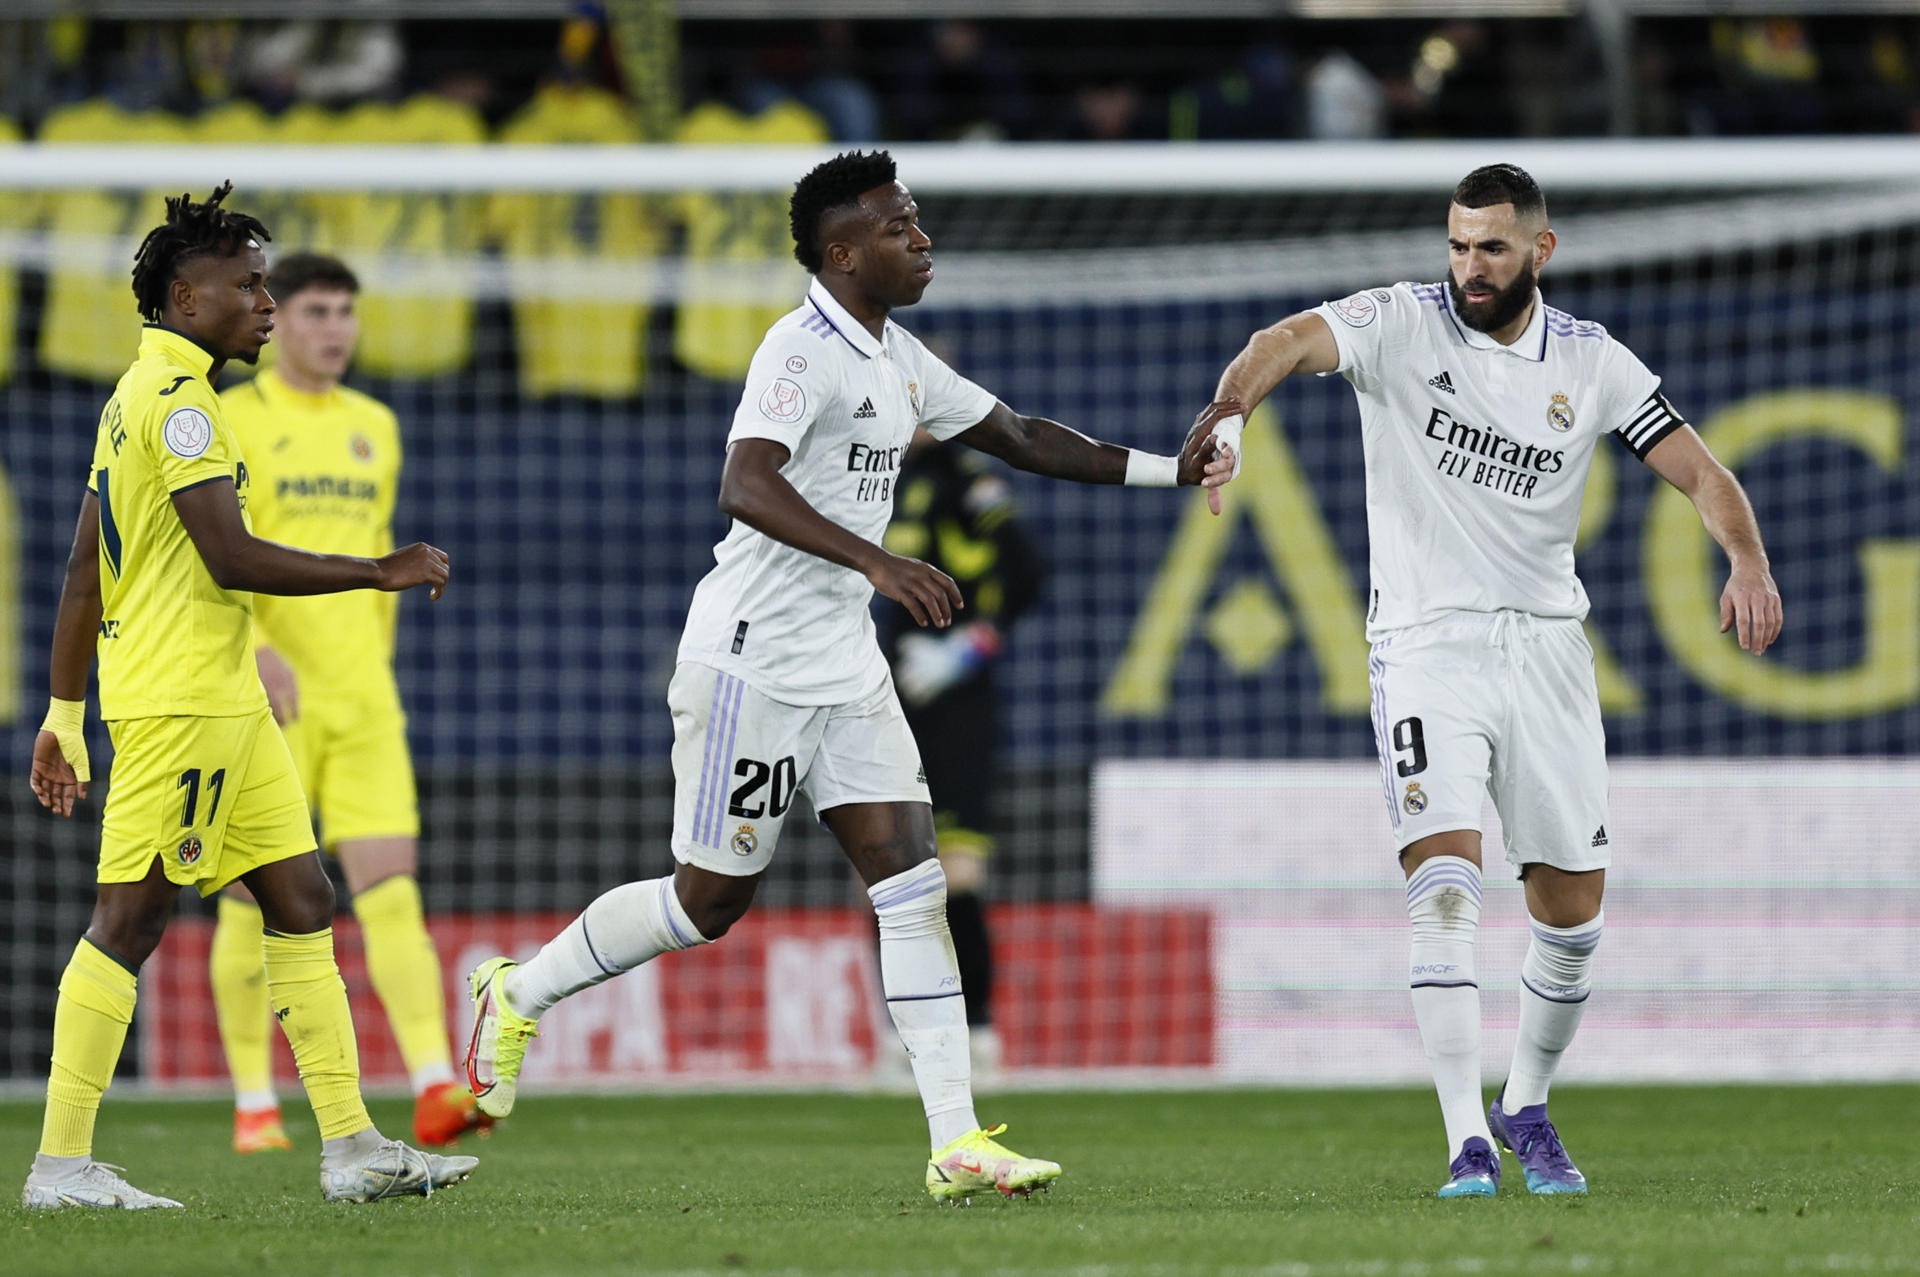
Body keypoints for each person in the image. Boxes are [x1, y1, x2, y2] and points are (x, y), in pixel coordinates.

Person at [464, 149, 1235, 1203]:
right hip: (753, 662)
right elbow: (744, 480)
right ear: (842, 251)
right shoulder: (799, 349)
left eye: (917, 221)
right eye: (899, 225)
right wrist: (876, 560)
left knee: (912, 885)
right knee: (706, 902)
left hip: (844, 667)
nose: (922, 239)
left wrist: (1167, 467)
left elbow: (1017, 434)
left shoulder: (899, 357)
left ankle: (957, 1138)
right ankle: (516, 992)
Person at [1197, 163, 1782, 1198]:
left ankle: (1526, 1099)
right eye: (1459, 245)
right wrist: (1232, 409)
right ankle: (1465, 1135)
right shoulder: (1400, 324)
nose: (1470, 267)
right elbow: (1283, 341)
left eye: (1493, 248)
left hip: (1548, 650)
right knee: (1445, 883)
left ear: (1540, 251)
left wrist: (1747, 558)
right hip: (1426, 643)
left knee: (1572, 914)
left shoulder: (1592, 361)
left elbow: (1700, 468)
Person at [23, 184, 474, 1210]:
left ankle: (353, 1144)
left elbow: (86, 563)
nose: (267, 305)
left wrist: (59, 712)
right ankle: (59, 1163)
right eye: (250, 287)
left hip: (218, 697)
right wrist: (376, 568)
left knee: (302, 896)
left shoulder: (135, 393)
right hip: (186, 704)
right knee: (130, 918)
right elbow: (226, 554)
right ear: (188, 299)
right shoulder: (185, 407)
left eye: (269, 285)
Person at [208, 252, 488, 1154]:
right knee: (253, 901)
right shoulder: (231, 417)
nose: (335, 329)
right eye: (316, 312)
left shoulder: (377, 425)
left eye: (346, 313)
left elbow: (369, 554)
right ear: (276, 320)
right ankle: (255, 1100)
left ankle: (436, 1084)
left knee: (392, 888)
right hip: (266, 697)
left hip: (364, 695)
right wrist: (251, 647)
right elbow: (210, 547)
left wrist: (373, 666)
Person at [877, 432, 1047, 1074]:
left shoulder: (967, 480)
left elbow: (1028, 568)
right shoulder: (878, 476)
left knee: (959, 867)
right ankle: (900, 1035)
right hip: (890, 692)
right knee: (885, 866)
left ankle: (978, 1027)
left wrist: (973, 646)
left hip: (956, 696)